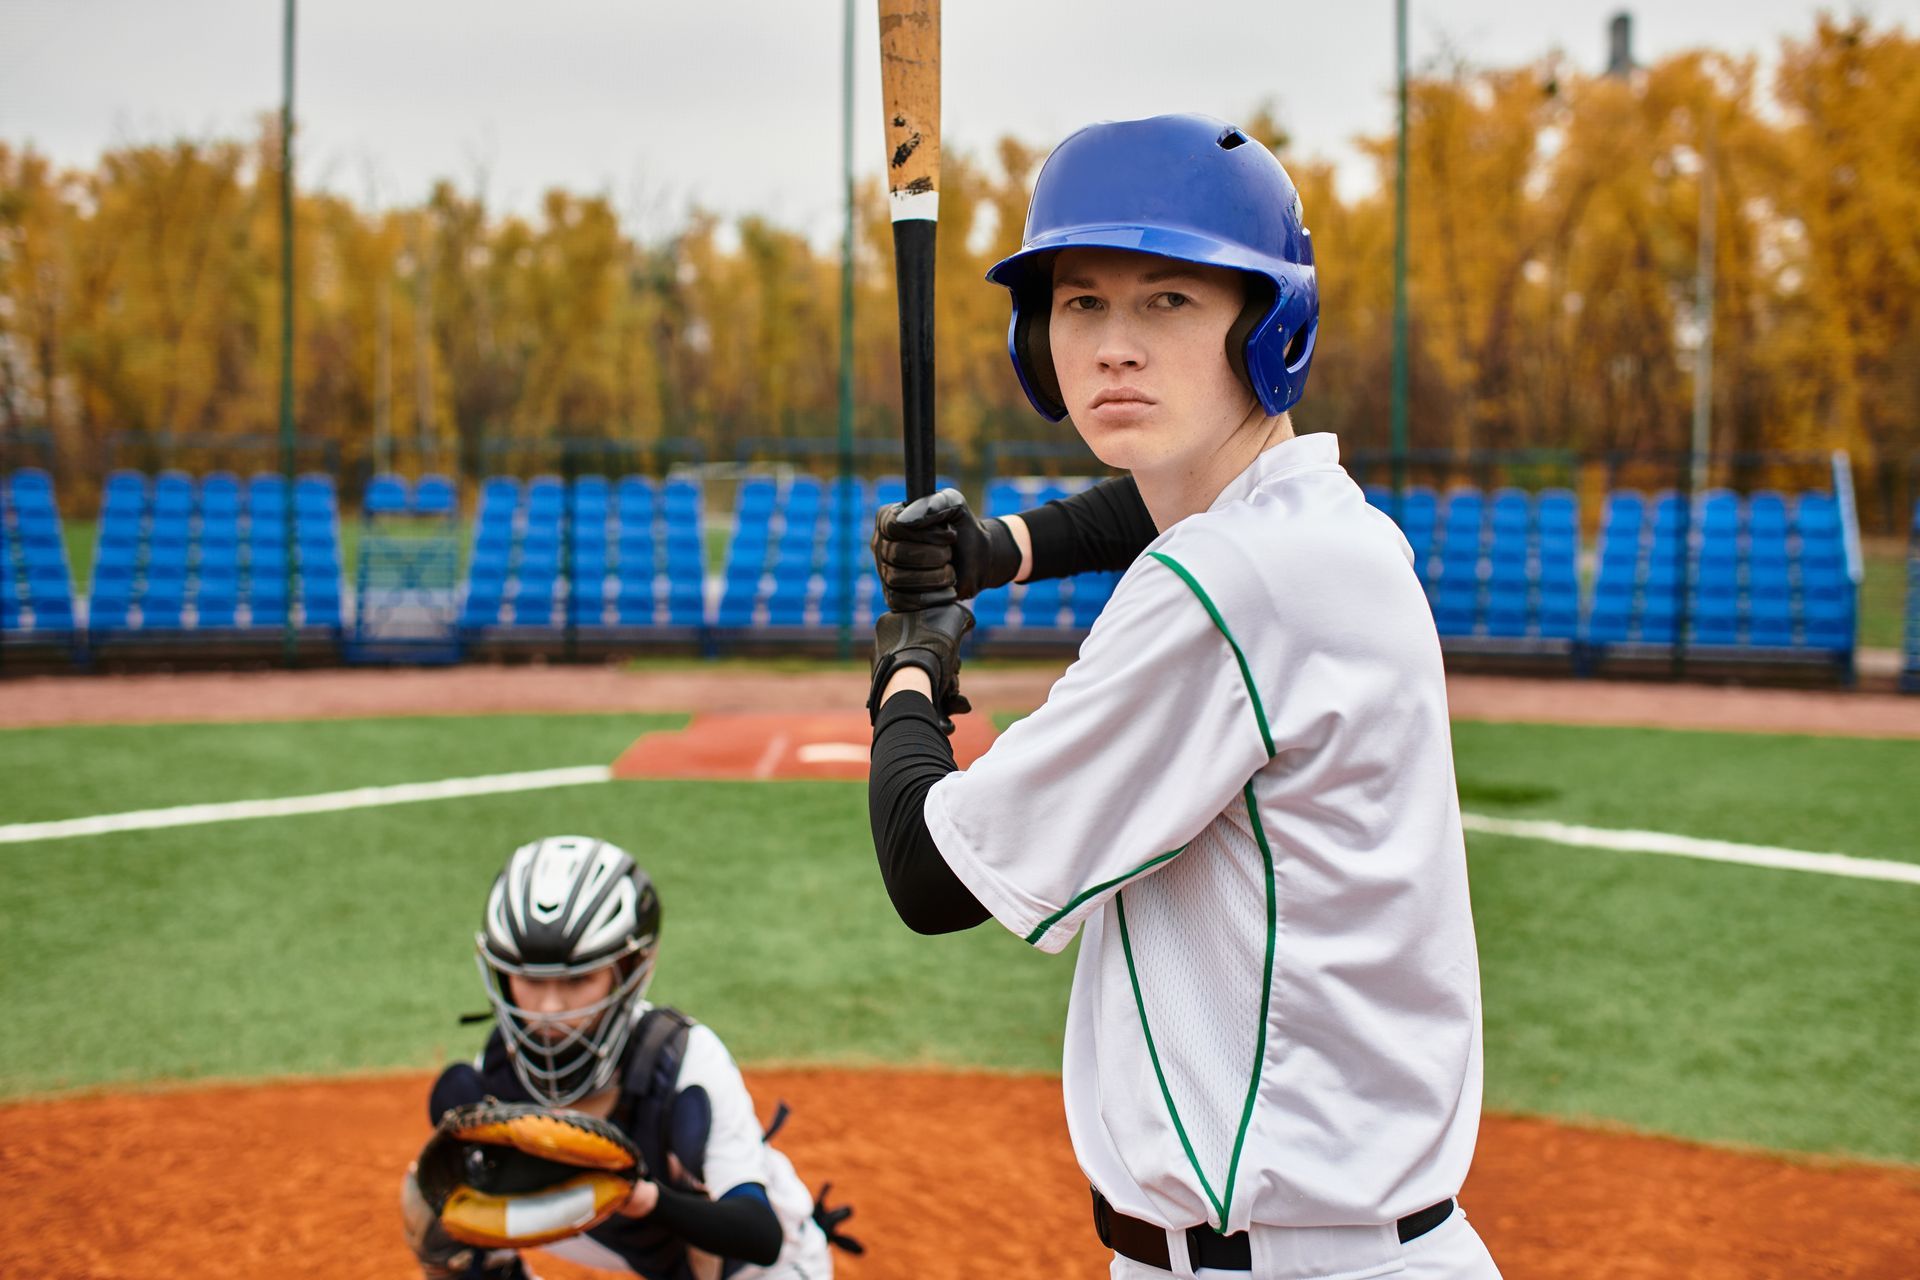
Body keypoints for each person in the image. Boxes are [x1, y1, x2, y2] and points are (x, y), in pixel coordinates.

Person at [866, 114, 1502, 1279]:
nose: (1116, 344)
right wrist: (996, 549)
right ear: (1037, 336)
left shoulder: (1226, 583)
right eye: (1081, 302)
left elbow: (928, 871)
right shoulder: (1318, 526)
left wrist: (909, 668)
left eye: (1169, 301)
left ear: (1270, 330)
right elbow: (1159, 508)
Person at [401, 835, 853, 1280]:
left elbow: (759, 1234)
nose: (549, 1009)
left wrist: (645, 1197)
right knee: (436, 1196)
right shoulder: (499, 1069)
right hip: (640, 1250)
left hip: (756, 1268)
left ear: (628, 972)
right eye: (530, 980)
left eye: (579, 980)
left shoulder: (681, 1060)